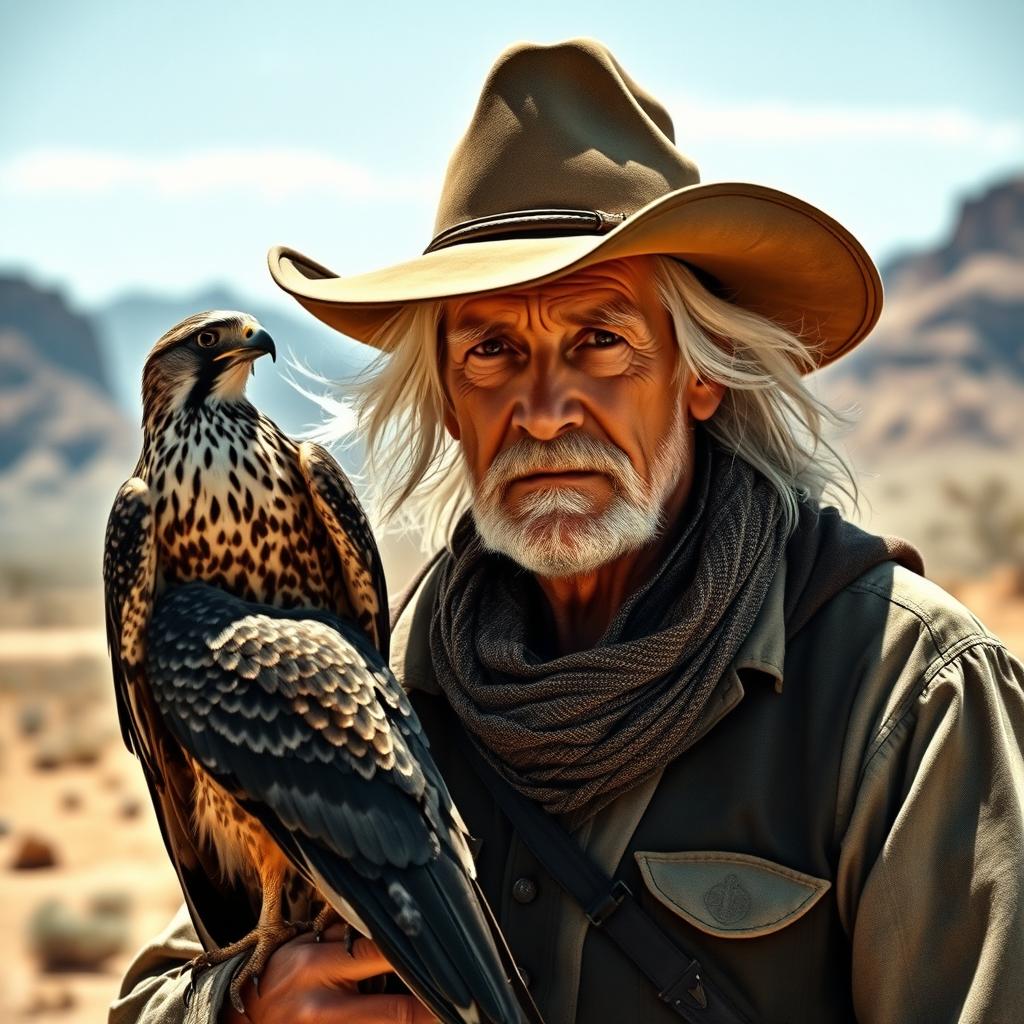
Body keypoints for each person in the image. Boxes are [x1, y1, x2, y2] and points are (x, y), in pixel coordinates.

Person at [110, 37, 1024, 1024]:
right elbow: (168, 984)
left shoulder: (899, 694)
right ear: (450, 405)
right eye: (493, 351)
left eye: (599, 340)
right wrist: (249, 1003)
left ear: (702, 372)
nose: (544, 410)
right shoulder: (389, 678)